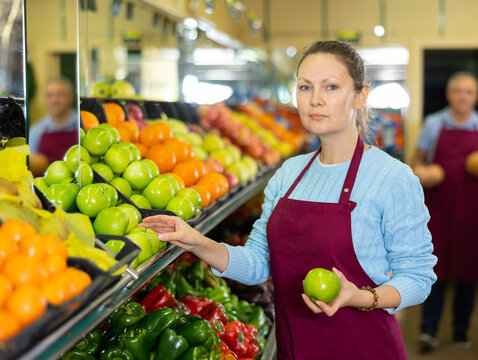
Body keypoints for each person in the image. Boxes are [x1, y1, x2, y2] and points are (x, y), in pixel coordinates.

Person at [140, 40, 437, 359]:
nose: (316, 100)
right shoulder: (290, 174)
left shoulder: (392, 177)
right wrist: (196, 241)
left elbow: (418, 278)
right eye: (305, 88)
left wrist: (361, 297)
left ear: (360, 95)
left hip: (363, 345)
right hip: (296, 347)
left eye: (331, 87)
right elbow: (257, 264)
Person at [412, 72, 478, 352]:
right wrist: (423, 173)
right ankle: (429, 329)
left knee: (468, 268)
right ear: (449, 94)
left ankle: (461, 329)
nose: (463, 96)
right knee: (434, 269)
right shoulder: (433, 124)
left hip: (472, 209)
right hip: (437, 208)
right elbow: (416, 162)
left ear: (475, 97)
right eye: (458, 91)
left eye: (469, 92)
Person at [29, 77, 79, 176]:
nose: (54, 100)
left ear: (71, 97)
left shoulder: (81, 125)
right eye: (49, 95)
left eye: (60, 94)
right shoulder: (36, 130)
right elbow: (32, 164)